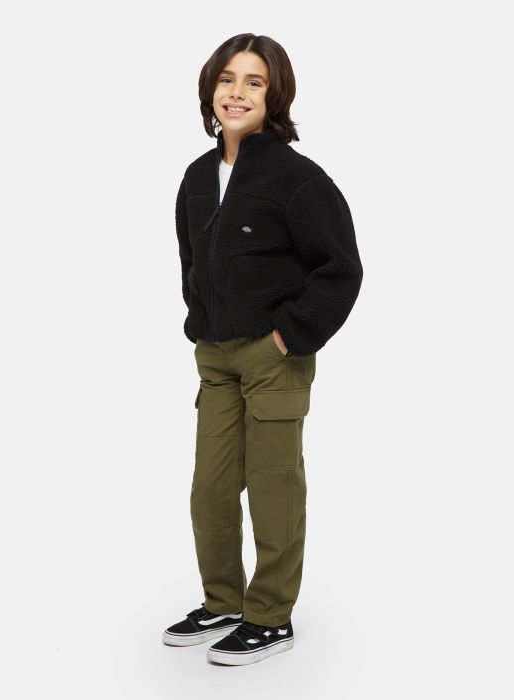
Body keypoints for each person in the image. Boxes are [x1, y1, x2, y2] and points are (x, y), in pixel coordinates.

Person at [162, 33, 363, 665]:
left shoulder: (296, 178)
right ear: (210, 89)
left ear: (275, 94)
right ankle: (223, 601)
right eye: (227, 79)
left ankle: (271, 616)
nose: (237, 92)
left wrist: (289, 336)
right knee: (211, 489)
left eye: (254, 81)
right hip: (216, 359)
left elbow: (341, 269)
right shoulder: (197, 176)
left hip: (275, 357)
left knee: (274, 487)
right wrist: (200, 322)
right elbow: (192, 260)